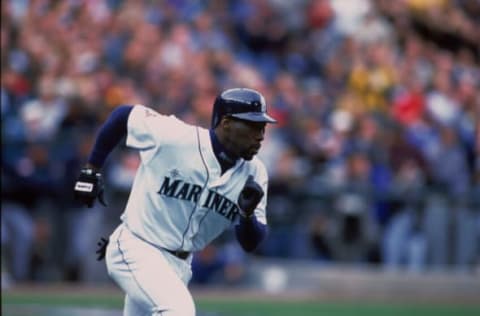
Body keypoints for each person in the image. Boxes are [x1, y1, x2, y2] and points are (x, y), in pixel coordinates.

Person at [73, 88, 276, 316]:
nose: (260, 135)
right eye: (253, 126)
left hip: (180, 266)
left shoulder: (255, 173)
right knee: (178, 310)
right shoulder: (176, 137)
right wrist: (92, 169)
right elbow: (123, 116)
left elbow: (251, 243)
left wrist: (246, 215)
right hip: (137, 246)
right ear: (227, 123)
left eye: (263, 127)